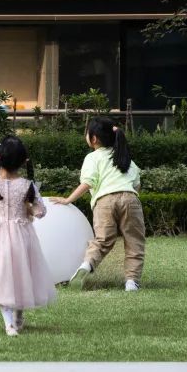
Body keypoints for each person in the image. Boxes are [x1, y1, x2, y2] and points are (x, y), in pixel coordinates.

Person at [0, 135, 56, 336]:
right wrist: (27, 207)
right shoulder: (28, 185)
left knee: (0, 276)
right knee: (21, 274)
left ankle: (9, 323)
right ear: (24, 161)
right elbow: (41, 211)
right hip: (21, 235)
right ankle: (18, 317)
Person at [49, 117, 144, 291]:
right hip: (131, 200)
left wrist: (68, 199)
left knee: (102, 240)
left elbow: (88, 182)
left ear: (93, 139)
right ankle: (131, 281)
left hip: (104, 202)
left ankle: (87, 264)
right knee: (134, 242)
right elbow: (137, 184)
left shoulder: (93, 158)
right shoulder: (125, 158)